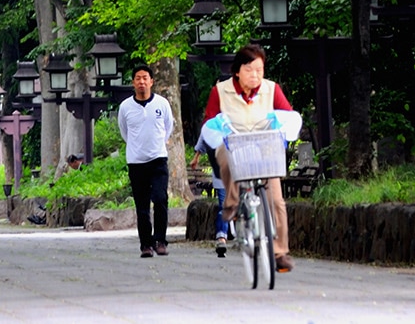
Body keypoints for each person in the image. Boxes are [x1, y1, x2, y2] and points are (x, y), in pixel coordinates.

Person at [196, 43, 301, 274]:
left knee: (276, 200)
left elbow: (288, 114)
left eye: (260, 70)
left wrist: (283, 125)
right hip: (233, 144)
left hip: (265, 147)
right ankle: (232, 204)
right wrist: (218, 129)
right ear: (237, 71)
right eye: (249, 70)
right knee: (225, 157)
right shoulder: (220, 91)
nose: (255, 75)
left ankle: (280, 253)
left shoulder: (272, 89)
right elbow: (209, 123)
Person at [116, 63, 174, 259]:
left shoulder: (162, 104)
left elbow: (168, 128)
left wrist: (157, 144)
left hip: (158, 159)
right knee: (142, 206)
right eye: (138, 78)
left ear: (151, 81)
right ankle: (146, 245)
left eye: (145, 78)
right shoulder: (125, 107)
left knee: (160, 199)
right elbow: (125, 132)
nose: (142, 82)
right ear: (133, 82)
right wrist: (137, 147)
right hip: (136, 162)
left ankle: (160, 240)